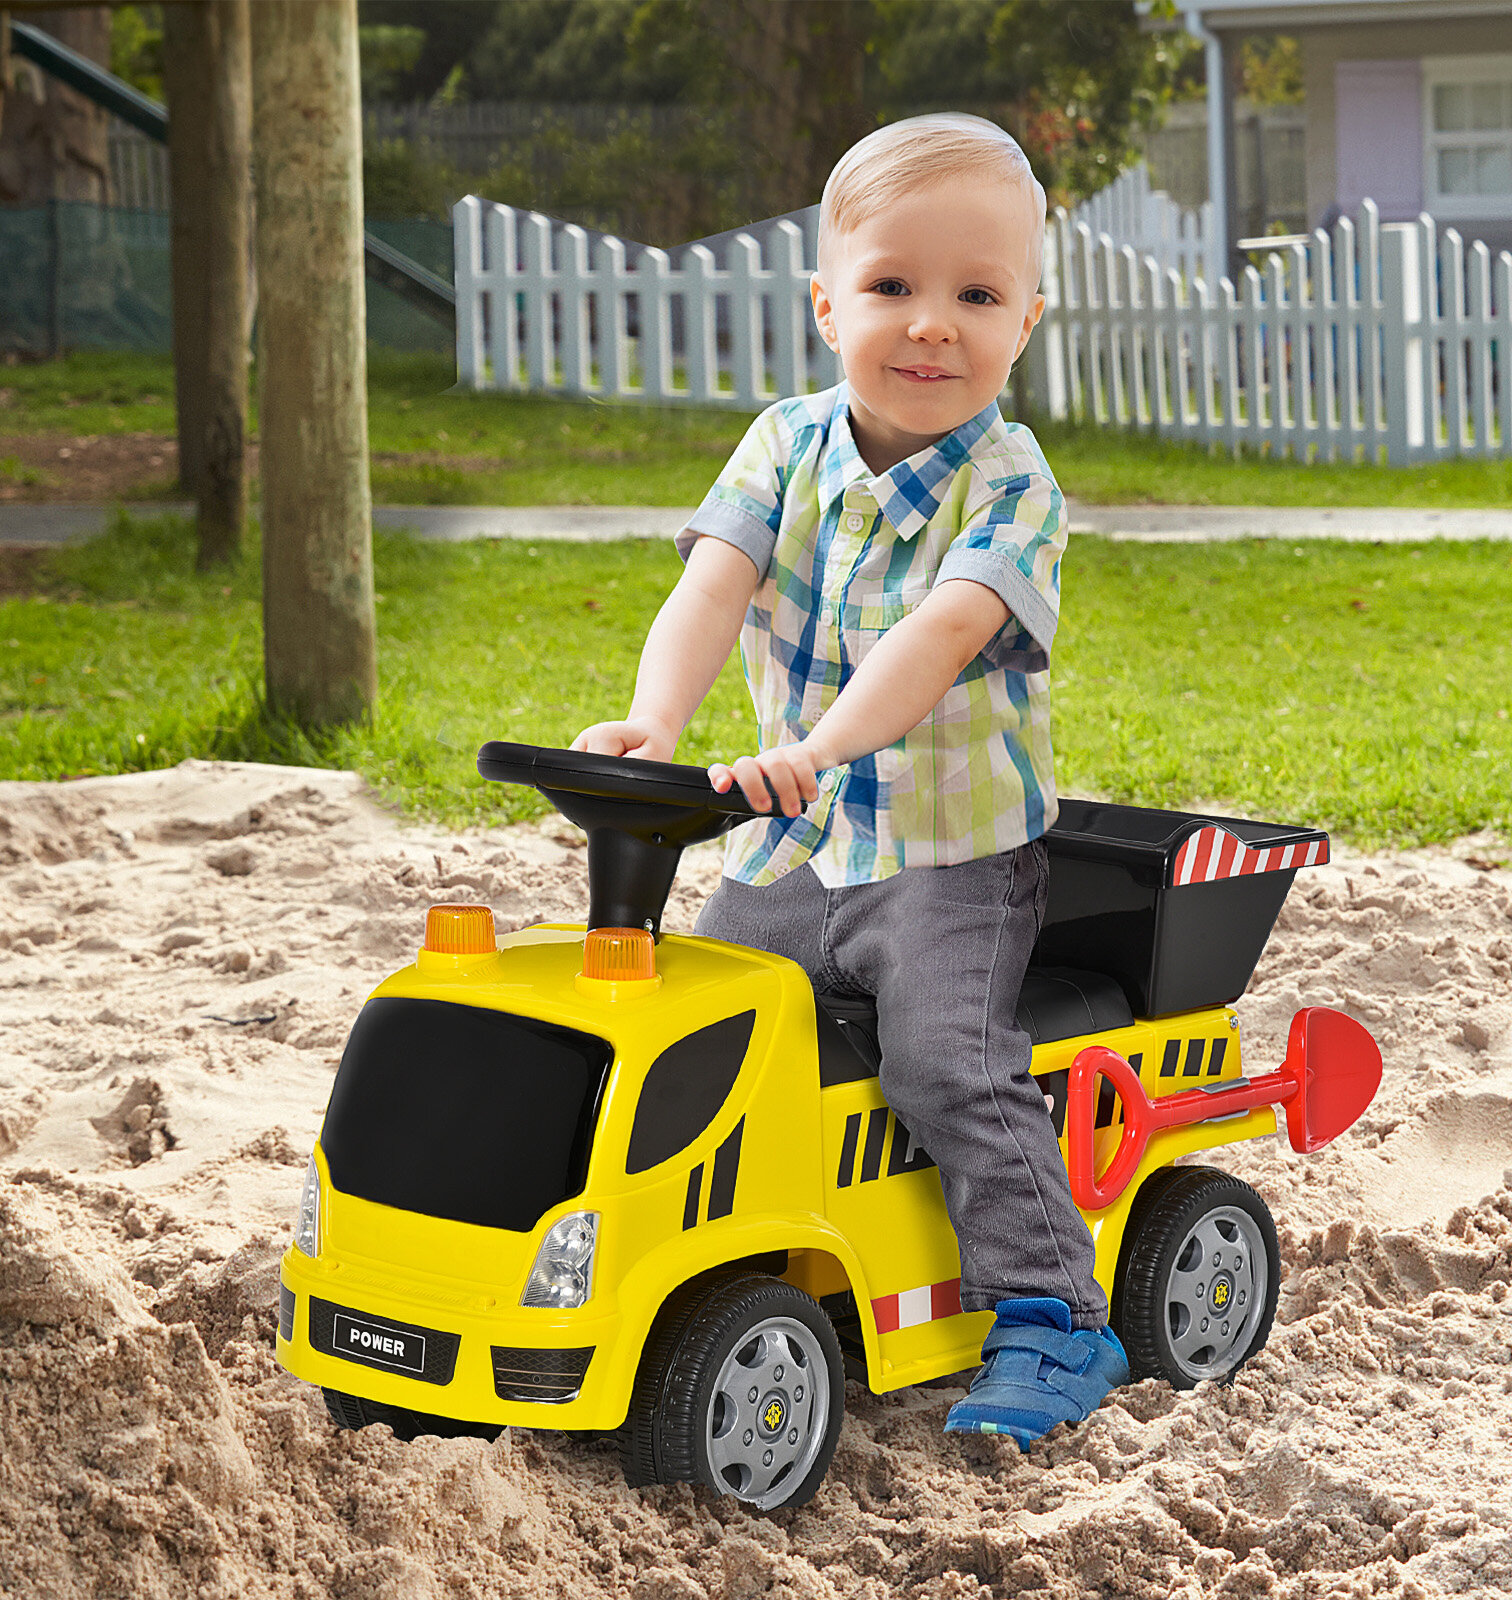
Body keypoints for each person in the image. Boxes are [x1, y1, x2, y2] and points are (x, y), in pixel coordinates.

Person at [571, 113, 1127, 1447]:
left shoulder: (1011, 483)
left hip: (948, 863)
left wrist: (814, 753)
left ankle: (1055, 1317)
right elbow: (710, 585)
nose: (932, 325)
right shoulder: (783, 445)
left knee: (944, 1065)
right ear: (828, 305)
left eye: (976, 295)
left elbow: (941, 637)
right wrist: (656, 718)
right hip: (781, 856)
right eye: (892, 288)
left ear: (1027, 321)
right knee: (703, 1046)